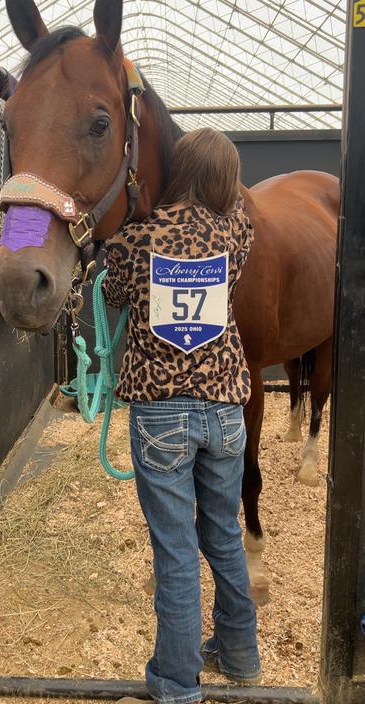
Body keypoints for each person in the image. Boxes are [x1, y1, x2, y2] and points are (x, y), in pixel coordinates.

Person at [102, 127, 260, 704]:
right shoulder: (238, 232)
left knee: (174, 550)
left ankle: (175, 681)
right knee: (222, 535)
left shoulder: (139, 239)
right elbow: (237, 205)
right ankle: (241, 655)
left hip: (161, 412)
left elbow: (112, 293)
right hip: (225, 408)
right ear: (225, 179)